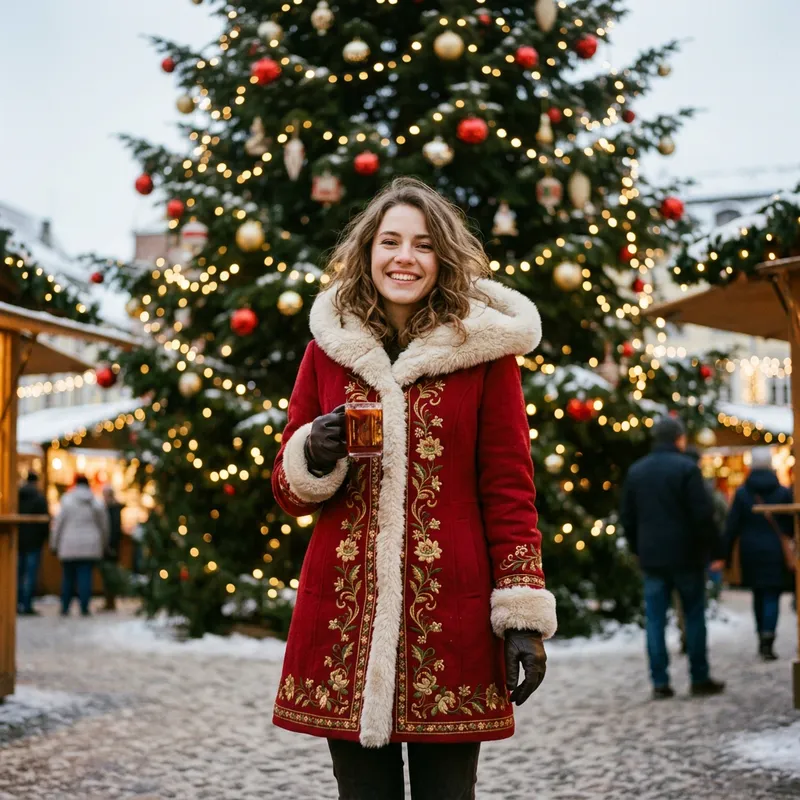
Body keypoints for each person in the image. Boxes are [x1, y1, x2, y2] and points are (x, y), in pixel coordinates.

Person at [271, 177, 556, 800]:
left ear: (443, 258)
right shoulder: (327, 352)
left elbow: (510, 489)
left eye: (423, 245)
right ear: (367, 251)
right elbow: (288, 492)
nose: (405, 257)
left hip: (450, 614)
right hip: (346, 615)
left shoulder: (484, 355)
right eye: (391, 241)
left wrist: (522, 615)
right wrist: (312, 454)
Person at [620, 416, 726, 699]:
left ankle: (659, 682)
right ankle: (699, 677)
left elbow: (627, 518)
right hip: (687, 556)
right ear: (679, 439)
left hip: (652, 557)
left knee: (654, 621)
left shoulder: (637, 471)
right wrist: (715, 551)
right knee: (693, 616)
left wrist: (637, 548)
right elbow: (703, 516)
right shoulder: (687, 469)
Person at [724, 447, 793, 661]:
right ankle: (768, 638)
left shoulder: (743, 493)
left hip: (750, 550)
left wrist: (724, 554)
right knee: (772, 594)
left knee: (758, 594)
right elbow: (790, 525)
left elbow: (732, 525)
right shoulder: (782, 492)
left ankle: (761, 637)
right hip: (774, 550)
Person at [50, 475, 109, 617]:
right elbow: (104, 526)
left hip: (68, 544)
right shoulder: (96, 502)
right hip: (90, 545)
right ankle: (84, 607)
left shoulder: (67, 500)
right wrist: (104, 543)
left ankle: (65, 606)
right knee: (85, 577)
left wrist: (54, 543)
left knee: (68, 577)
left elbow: (58, 524)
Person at [17, 472, 49, 615]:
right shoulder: (39, 498)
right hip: (34, 543)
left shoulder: (17, 496)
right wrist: (44, 539)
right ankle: (27, 604)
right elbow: (44, 523)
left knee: (18, 574)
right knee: (30, 576)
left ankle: (16, 603)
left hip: (17, 542)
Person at [100, 485, 124, 611]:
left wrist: (110, 545)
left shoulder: (112, 509)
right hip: (111, 546)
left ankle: (110, 601)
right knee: (108, 574)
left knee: (110, 574)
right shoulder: (112, 509)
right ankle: (109, 601)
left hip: (111, 547)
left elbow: (114, 530)